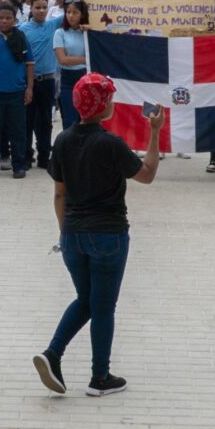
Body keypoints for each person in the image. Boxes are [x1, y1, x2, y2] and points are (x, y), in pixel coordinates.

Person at [32, 74, 162, 398]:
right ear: (103, 105)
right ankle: (99, 378)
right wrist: (155, 133)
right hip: (108, 236)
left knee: (86, 300)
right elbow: (147, 175)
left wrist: (65, 235)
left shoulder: (62, 140)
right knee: (103, 307)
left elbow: (59, 195)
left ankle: (53, 354)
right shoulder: (110, 143)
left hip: (72, 235)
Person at [0, 2, 34, 179]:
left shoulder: (21, 37)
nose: (4, 21)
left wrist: (29, 88)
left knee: (18, 131)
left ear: (15, 19)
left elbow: (29, 64)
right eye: (1, 18)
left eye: (8, 18)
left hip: (17, 92)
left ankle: (18, 165)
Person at [18, 0, 63, 171]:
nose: (41, 11)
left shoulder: (53, 25)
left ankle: (44, 156)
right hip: (28, 83)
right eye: (38, 7)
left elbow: (73, 10)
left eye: (44, 7)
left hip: (48, 81)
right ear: (31, 8)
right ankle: (27, 156)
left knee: (45, 121)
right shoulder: (22, 29)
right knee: (27, 121)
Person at [53, 0, 89, 131]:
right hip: (68, 80)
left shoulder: (87, 32)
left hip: (85, 78)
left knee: (86, 121)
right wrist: (85, 59)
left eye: (75, 12)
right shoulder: (60, 33)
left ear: (82, 14)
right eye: (68, 12)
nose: (71, 16)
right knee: (70, 121)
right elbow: (63, 60)